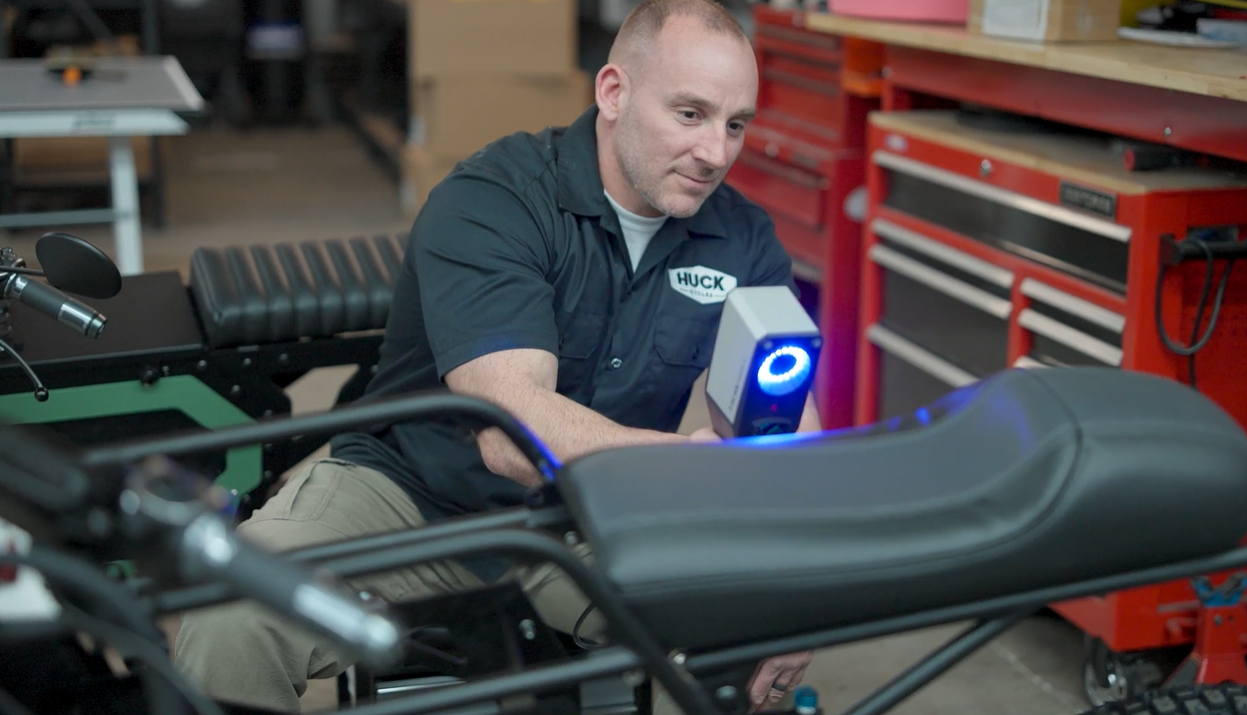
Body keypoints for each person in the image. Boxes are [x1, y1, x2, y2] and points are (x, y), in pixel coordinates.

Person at [172, 0, 823, 711]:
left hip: (589, 520)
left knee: (763, 626)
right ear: (614, 93)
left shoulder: (743, 240)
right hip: (411, 495)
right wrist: (682, 468)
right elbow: (510, 432)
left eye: (736, 125)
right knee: (229, 614)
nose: (716, 153)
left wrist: (796, 587)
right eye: (691, 114)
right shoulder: (496, 198)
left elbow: (794, 435)